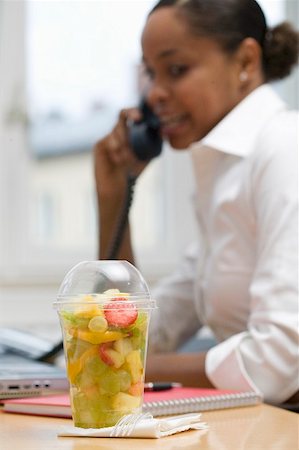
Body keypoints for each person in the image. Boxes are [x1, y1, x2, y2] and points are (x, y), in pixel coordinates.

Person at [94, 0, 299, 405]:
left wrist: (121, 362)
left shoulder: (284, 148)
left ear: (245, 60)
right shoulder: (224, 173)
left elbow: (276, 363)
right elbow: (140, 332)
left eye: (176, 70)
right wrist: (113, 196)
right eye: (150, 73)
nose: (154, 94)